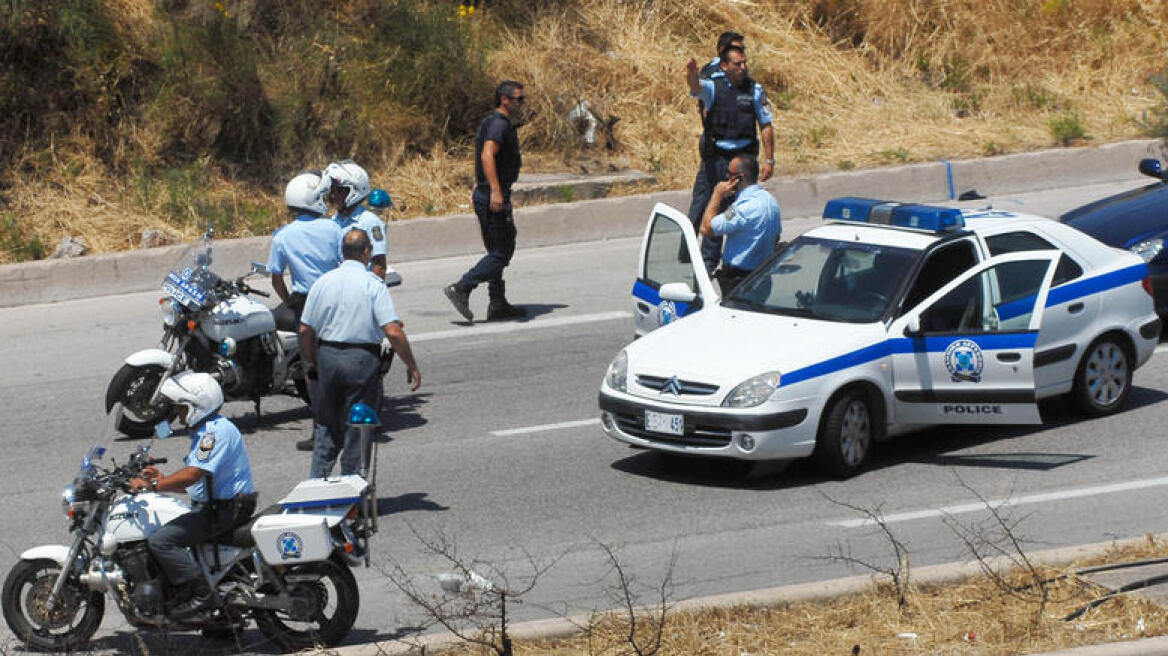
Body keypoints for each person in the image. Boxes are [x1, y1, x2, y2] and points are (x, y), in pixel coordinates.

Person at [129, 372, 257, 619]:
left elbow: (193, 474)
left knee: (161, 541)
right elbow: (196, 485)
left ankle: (203, 596)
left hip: (225, 510)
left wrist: (152, 487)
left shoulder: (214, 434)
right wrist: (161, 480)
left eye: (181, 408)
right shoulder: (209, 431)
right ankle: (222, 624)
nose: (178, 414)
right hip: (219, 505)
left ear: (196, 407)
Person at [300, 228, 422, 478]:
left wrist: (313, 362)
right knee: (358, 426)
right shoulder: (373, 284)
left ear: (343, 253)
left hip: (327, 357)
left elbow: (304, 330)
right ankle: (352, 493)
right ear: (367, 252)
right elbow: (393, 331)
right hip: (361, 361)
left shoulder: (322, 282)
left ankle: (316, 487)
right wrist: (411, 365)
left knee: (326, 425)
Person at [686, 44, 775, 275]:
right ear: (724, 66)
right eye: (738, 63)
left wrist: (769, 160)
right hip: (718, 159)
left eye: (745, 63)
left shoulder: (754, 90)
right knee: (709, 205)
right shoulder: (714, 88)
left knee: (738, 209)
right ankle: (703, 262)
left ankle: (736, 261)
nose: (744, 67)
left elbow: (766, 124)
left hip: (744, 159)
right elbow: (696, 87)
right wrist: (692, 73)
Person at [444, 80, 527, 323]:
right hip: (493, 195)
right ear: (505, 100)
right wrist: (495, 191)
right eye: (518, 99)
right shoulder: (499, 125)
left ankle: (497, 303)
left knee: (495, 250)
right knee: (502, 251)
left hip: (485, 191)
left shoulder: (492, 122)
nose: (522, 104)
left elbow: (483, 157)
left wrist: (479, 184)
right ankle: (462, 287)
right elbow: (487, 154)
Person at [267, 171, 344, 332]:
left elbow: (276, 280)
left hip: (304, 302)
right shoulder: (334, 228)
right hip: (334, 296)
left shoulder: (281, 236)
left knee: (307, 348)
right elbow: (346, 264)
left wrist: (288, 302)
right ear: (312, 199)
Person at [699, 154, 781, 295]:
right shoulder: (771, 201)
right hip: (763, 278)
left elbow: (707, 228)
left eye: (729, 174)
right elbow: (776, 237)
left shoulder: (741, 209)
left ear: (738, 178)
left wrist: (717, 195)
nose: (726, 177)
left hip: (740, 283)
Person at [325, 159, 399, 284]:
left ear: (355, 191)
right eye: (332, 190)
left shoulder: (369, 221)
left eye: (339, 190)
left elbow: (379, 265)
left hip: (362, 287)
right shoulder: (333, 222)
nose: (333, 195)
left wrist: (372, 294)